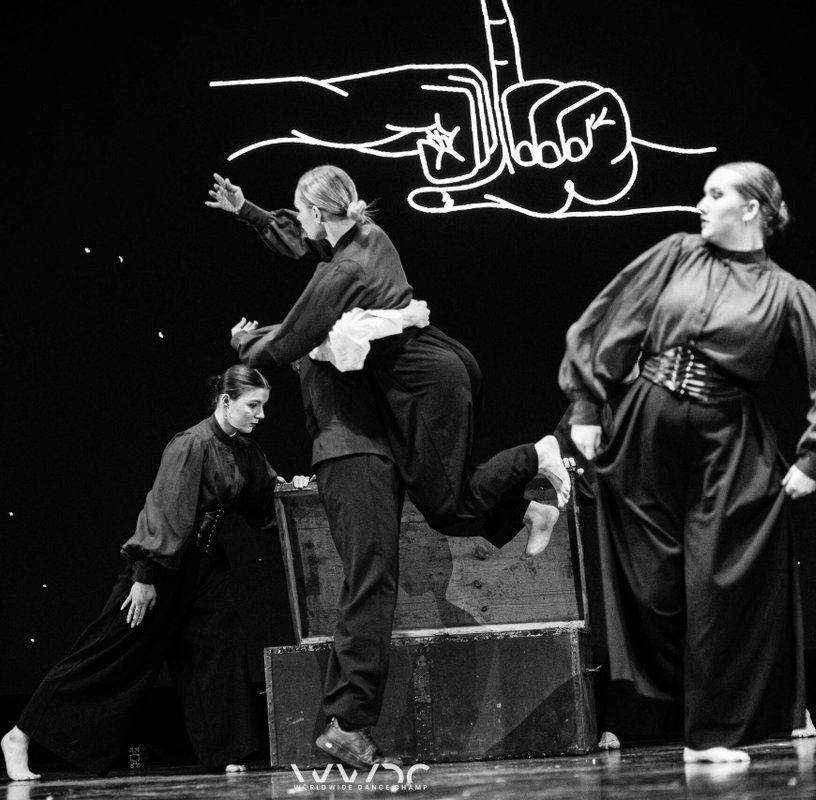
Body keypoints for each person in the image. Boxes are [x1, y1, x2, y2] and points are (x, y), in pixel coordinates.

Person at [207, 165, 572, 768]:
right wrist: (250, 213)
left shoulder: (340, 281)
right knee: (392, 559)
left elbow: (285, 340)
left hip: (379, 439)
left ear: (319, 212)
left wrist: (246, 344)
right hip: (357, 450)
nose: (302, 228)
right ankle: (346, 721)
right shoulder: (361, 248)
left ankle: (346, 721)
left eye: (302, 212)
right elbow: (302, 270)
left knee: (411, 540)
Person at [557, 161, 816, 763]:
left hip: (728, 441)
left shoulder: (786, 293)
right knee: (654, 585)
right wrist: (588, 405)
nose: (701, 204)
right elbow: (613, 317)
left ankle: (710, 735)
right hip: (647, 423)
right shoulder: (677, 254)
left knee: (719, 585)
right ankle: (679, 702)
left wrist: (815, 457)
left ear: (751, 208)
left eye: (715, 193)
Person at [0, 365, 307, 780]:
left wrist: (294, 493)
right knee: (111, 652)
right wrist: (144, 577)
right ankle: (20, 735)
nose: (261, 415)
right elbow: (165, 509)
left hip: (204, 568)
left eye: (263, 406)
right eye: (253, 405)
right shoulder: (191, 445)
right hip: (162, 566)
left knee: (220, 645)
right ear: (225, 401)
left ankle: (225, 750)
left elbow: (265, 503)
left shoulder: (246, 452)